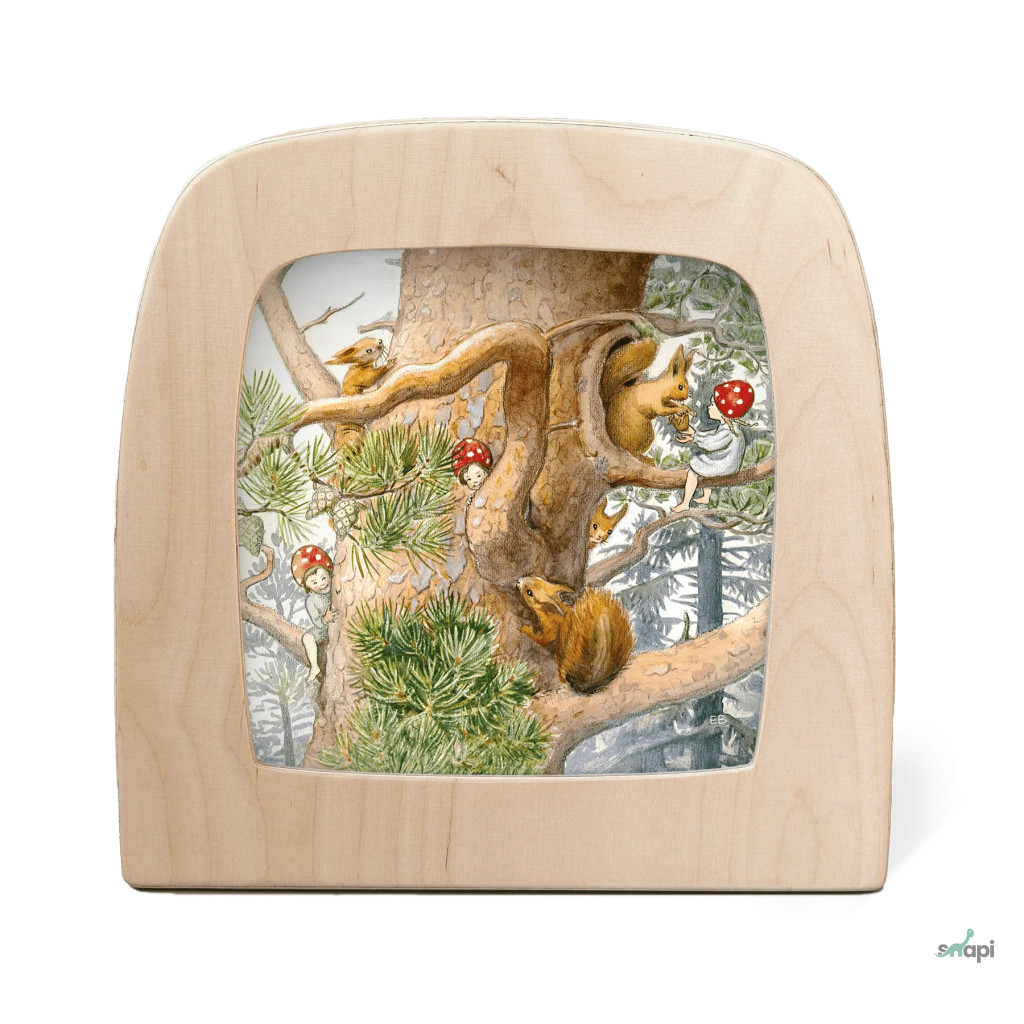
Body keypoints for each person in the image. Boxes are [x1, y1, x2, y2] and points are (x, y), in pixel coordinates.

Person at [675, 380, 754, 510]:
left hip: (726, 466)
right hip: (727, 463)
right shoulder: (730, 427)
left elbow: (710, 444)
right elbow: (711, 437)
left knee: (693, 469)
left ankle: (685, 503)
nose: (709, 407)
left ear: (722, 411)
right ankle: (706, 497)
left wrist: (694, 437)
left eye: (712, 404)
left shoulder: (728, 431)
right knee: (706, 458)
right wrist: (694, 434)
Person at [290, 545, 337, 684]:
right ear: (308, 586)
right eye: (314, 582)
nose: (322, 584)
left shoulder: (336, 587)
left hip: (338, 625)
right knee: (307, 637)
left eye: (323, 578)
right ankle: (314, 667)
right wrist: (325, 619)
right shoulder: (311, 600)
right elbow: (316, 621)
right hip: (322, 629)